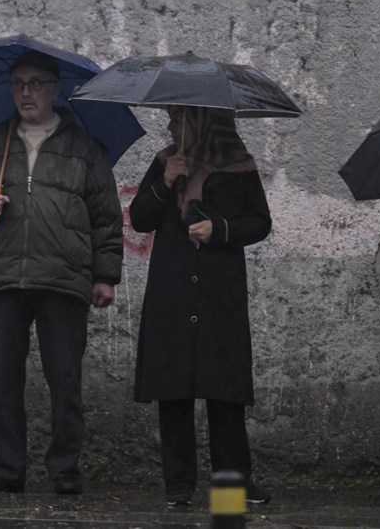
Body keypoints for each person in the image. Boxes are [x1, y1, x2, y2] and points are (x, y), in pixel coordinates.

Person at [0, 50, 123, 496]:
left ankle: (64, 469)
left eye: (35, 83)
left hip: (64, 278)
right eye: (18, 84)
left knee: (65, 380)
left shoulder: (85, 149)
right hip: (4, 278)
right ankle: (7, 470)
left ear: (55, 89)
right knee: (5, 382)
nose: (25, 93)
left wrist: (105, 276)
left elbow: (106, 218)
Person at [128, 105, 272, 507]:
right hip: (171, 291)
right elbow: (139, 218)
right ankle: (178, 486)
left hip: (218, 293)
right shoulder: (164, 162)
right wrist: (165, 182)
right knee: (173, 391)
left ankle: (233, 486)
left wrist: (219, 229)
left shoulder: (239, 166)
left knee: (224, 391)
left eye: (178, 118)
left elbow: (260, 222)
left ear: (203, 121)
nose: (171, 125)